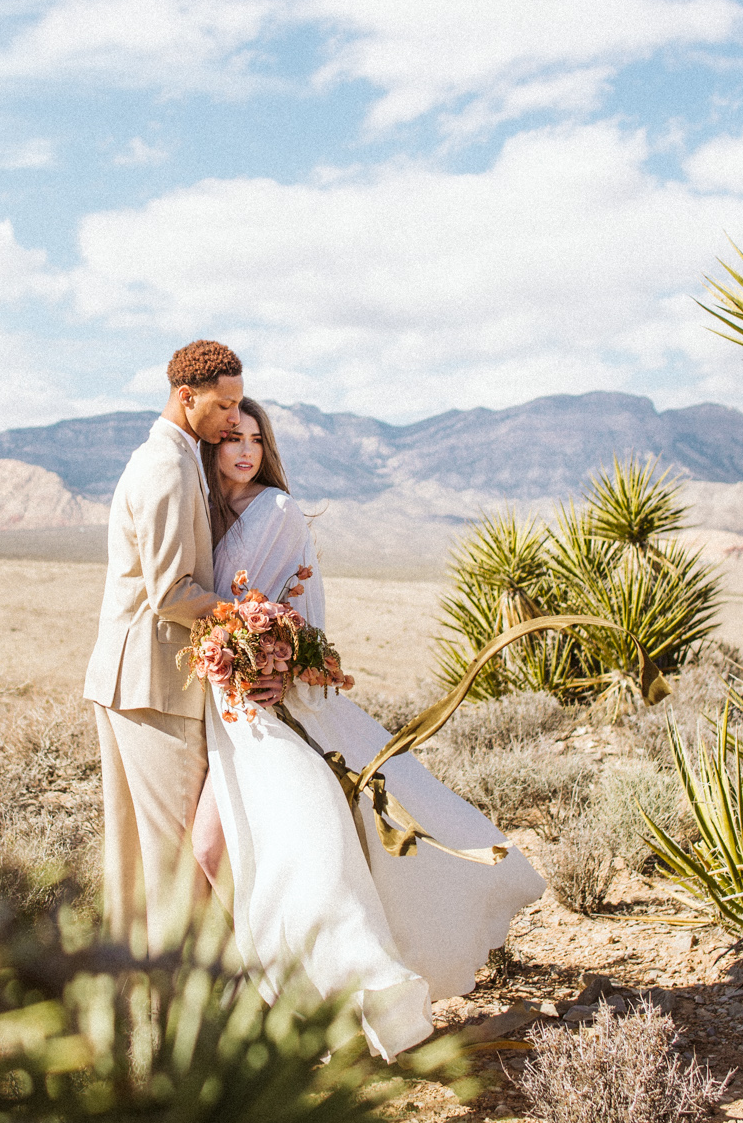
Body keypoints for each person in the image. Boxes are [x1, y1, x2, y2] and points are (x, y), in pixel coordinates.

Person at [190, 399, 545, 1059]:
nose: (245, 451)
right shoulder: (200, 516)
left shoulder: (279, 511)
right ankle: (255, 997)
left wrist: (284, 667)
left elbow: (307, 618)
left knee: (304, 850)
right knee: (214, 852)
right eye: (232, 438)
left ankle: (360, 998)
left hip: (271, 710)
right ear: (209, 445)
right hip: (222, 714)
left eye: (256, 440)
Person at [83, 340, 283, 953]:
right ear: (185, 397)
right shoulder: (167, 467)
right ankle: (180, 1016)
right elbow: (171, 592)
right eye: (223, 407)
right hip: (152, 683)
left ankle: (138, 1014)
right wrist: (254, 615)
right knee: (174, 863)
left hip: (131, 680)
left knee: (137, 861)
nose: (233, 419)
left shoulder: (171, 458)